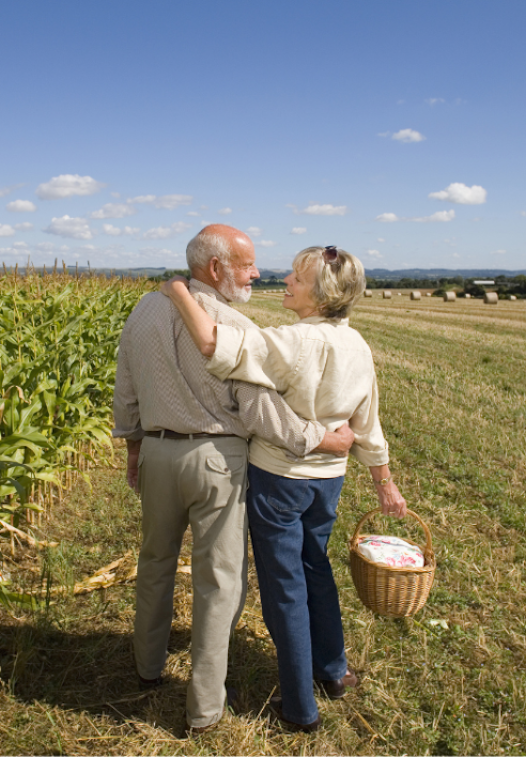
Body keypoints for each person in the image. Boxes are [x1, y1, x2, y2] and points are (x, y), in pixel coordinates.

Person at [112, 225, 355, 735]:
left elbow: (126, 384)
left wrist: (135, 447)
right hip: (218, 461)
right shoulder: (234, 326)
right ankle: (203, 709)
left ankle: (146, 667)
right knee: (219, 582)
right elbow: (260, 409)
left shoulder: (143, 310)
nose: (257, 273)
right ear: (216, 269)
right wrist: (318, 438)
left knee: (154, 561)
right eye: (246, 265)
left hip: (157, 453)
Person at [160, 245, 408, 732]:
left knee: (284, 590)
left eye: (297, 277)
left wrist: (177, 291)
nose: (286, 281)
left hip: (280, 480)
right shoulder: (357, 344)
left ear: (319, 295)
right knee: (317, 569)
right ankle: (334, 672)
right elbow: (368, 422)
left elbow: (213, 344)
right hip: (328, 484)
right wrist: (385, 483)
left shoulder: (294, 341)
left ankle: (298, 708)